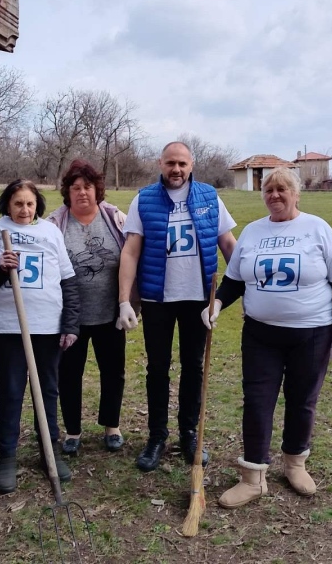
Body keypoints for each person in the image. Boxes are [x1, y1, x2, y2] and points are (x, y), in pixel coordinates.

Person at [201, 166, 332, 506]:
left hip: (311, 334)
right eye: (269, 190)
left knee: (302, 400)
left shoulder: (318, 229)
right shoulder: (253, 232)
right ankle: (253, 477)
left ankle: (295, 463)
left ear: (296, 194)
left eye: (282, 189)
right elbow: (235, 279)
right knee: (257, 401)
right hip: (260, 334)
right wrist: (218, 303)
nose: (274, 195)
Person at [117, 141, 237, 472]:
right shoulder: (144, 199)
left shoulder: (209, 197)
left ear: (191, 164)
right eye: (171, 163)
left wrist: (244, 286)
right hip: (158, 299)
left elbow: (229, 244)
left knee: (193, 367)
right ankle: (157, 436)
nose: (176, 169)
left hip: (198, 299)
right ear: (160, 164)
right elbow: (130, 251)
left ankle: (189, 433)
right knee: (157, 368)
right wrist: (125, 300)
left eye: (182, 163)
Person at [0, 179, 80, 494]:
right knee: (10, 391)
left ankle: (50, 451)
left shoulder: (51, 232)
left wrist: (70, 324)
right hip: (8, 329)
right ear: (7, 204)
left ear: (37, 205)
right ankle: (7, 457)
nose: (24, 209)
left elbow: (68, 281)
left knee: (47, 391)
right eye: (18, 203)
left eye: (30, 203)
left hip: (47, 327)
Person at [47, 160, 135, 455]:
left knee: (113, 371)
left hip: (111, 313)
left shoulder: (116, 219)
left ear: (97, 189)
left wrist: (129, 302)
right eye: (76, 187)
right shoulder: (54, 224)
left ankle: (112, 426)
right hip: (70, 317)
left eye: (87, 186)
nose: (82, 192)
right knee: (69, 374)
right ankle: (73, 431)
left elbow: (134, 255)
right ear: (67, 191)